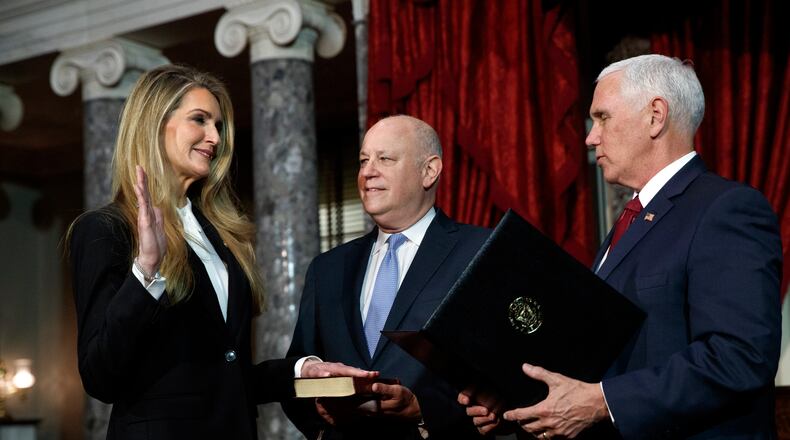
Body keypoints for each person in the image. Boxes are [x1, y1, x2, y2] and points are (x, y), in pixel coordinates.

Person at [459, 54, 782, 439]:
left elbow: (739, 357)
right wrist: (515, 397)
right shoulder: (632, 218)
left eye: (603, 117)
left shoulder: (725, 208)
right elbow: (602, 354)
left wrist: (604, 401)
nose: (590, 137)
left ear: (655, 116)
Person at [68, 64, 372, 440]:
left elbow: (224, 374)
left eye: (219, 126)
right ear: (154, 123)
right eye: (200, 120)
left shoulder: (220, 234)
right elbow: (100, 376)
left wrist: (299, 370)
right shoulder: (103, 230)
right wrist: (146, 271)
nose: (215, 137)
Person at [283, 115, 491, 439]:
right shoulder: (327, 269)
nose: (367, 172)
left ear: (429, 170)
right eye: (364, 160)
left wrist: (424, 411)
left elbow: (500, 376)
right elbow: (297, 372)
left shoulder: (480, 252)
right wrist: (321, 422)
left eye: (385, 159)